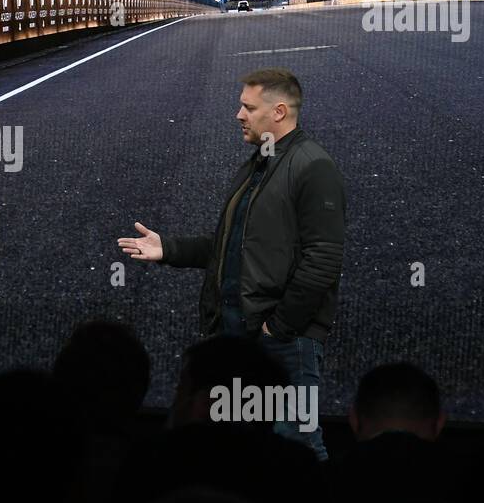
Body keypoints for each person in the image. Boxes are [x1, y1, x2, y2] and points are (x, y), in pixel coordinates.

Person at [116, 68, 344, 460]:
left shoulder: (312, 166)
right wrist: (167, 249)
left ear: (279, 112)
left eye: (248, 106)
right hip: (245, 333)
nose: (238, 114)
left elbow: (323, 257)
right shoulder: (258, 165)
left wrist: (281, 327)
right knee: (248, 448)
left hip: (283, 340)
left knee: (298, 443)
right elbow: (230, 246)